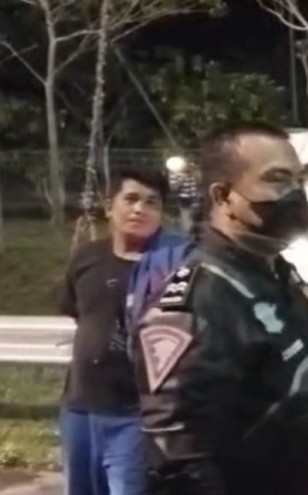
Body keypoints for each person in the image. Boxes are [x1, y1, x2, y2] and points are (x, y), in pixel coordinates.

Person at [131, 122, 308, 495]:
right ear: (224, 196)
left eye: (299, 180)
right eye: (277, 180)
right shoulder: (196, 301)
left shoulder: (276, 272)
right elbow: (177, 454)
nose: (295, 193)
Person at [59, 167, 171, 495]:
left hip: (135, 415)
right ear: (110, 207)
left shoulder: (172, 267)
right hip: (80, 408)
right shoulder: (86, 258)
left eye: (151, 202)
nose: (140, 209)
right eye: (131, 199)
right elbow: (79, 314)